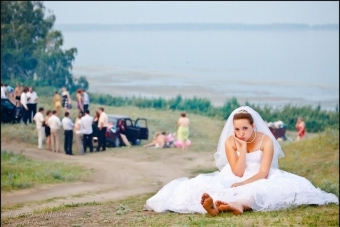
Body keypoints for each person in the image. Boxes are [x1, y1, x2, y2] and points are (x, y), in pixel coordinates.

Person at [145, 106, 338, 215]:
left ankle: (237, 205)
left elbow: (263, 173)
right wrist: (243, 147)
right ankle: (214, 208)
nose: (240, 133)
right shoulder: (231, 142)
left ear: (253, 125)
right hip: (236, 173)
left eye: (245, 128)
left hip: (262, 175)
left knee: (262, 189)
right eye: (237, 129)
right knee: (205, 187)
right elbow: (237, 171)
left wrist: (243, 183)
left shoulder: (265, 141)